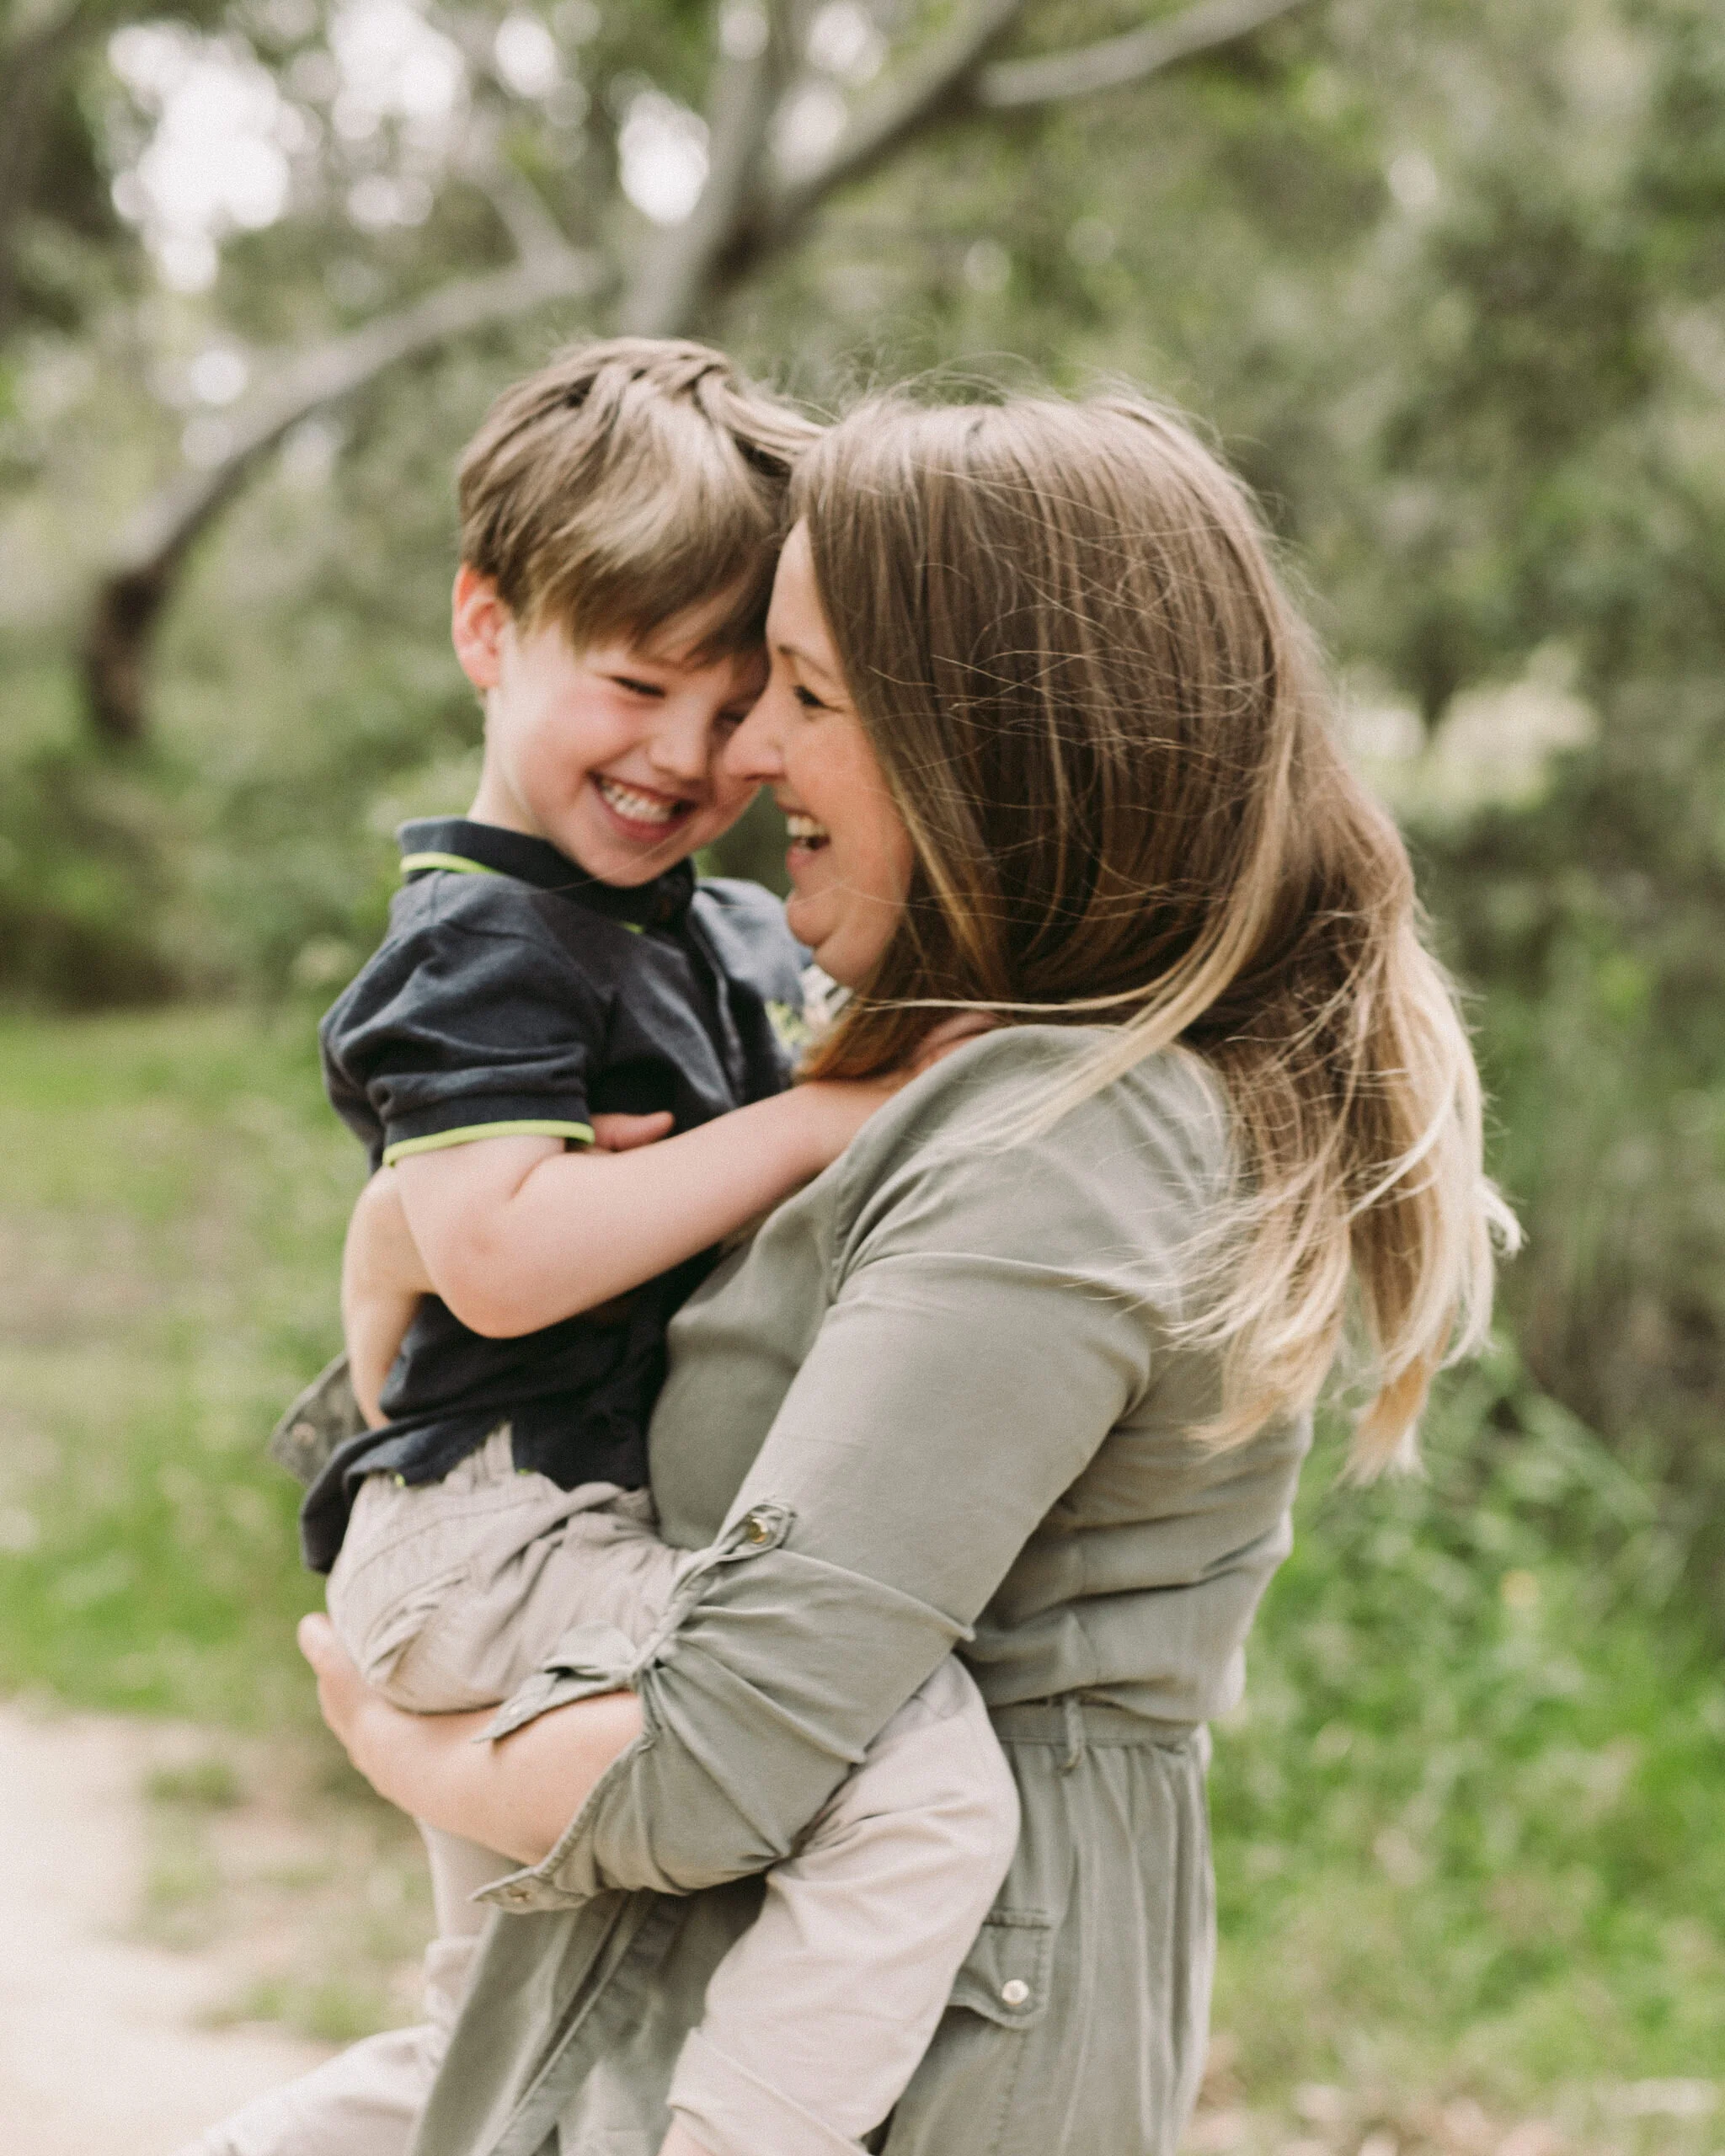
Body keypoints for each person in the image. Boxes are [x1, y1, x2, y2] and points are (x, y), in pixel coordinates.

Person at [305, 388, 1516, 2156]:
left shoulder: (1060, 1141)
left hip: (930, 2060)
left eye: (794, 694)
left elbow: (722, 1747)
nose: (742, 758)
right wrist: (407, 1225)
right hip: (734, 1984)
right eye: (707, 688)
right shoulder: (915, 1060)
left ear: (980, 745)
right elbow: (475, 1269)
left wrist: (406, 1745)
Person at [187, 342, 1019, 2156]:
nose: (683, 754)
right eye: (634, 681)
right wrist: (808, 1121)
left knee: (511, 2035)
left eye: (745, 704)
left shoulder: (711, 932)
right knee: (921, 1775)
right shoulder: (481, 942)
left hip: (533, 1528)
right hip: (495, 1533)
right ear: (487, 628)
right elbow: (492, 1259)